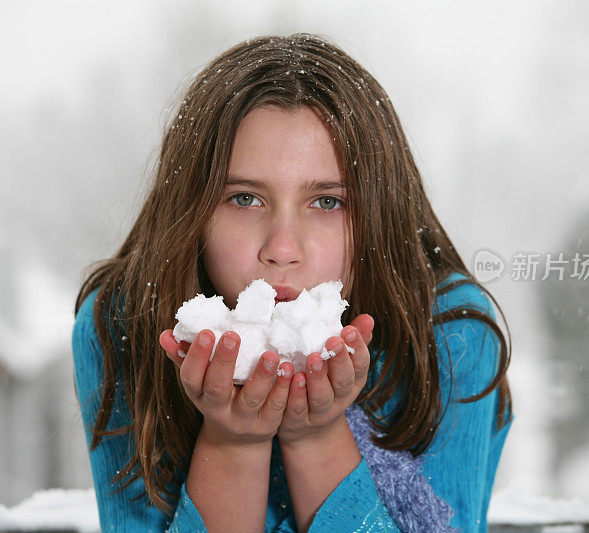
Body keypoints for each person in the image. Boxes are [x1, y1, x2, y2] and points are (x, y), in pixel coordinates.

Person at [72, 33, 513, 532]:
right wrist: (233, 443)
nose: (282, 249)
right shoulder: (121, 324)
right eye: (244, 199)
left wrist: (316, 436)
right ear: (190, 213)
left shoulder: (451, 333)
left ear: (380, 218)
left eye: (327, 202)